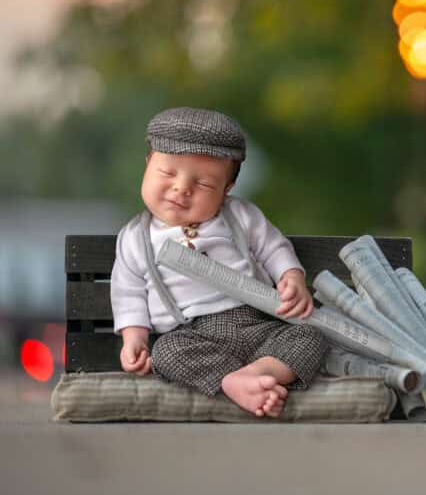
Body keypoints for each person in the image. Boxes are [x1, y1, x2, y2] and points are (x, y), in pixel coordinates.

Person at [110, 107, 328, 418]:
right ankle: (233, 382)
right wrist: (134, 338)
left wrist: (291, 276)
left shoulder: (239, 216)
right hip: (191, 334)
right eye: (167, 173)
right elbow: (127, 292)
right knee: (167, 354)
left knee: (311, 337)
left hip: (256, 324)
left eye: (203, 185)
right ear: (147, 164)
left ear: (227, 190)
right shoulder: (135, 238)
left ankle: (257, 374)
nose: (181, 188)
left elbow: (273, 247)